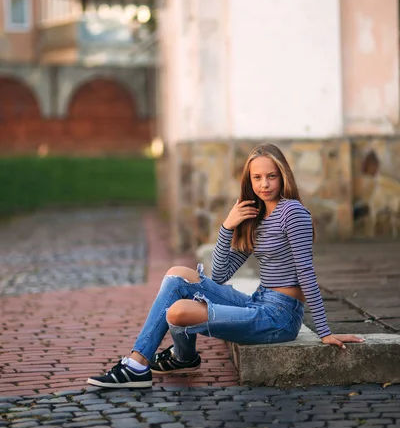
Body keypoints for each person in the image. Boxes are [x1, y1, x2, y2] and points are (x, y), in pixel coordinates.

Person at [87, 143, 364, 389]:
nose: (264, 184)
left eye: (271, 176)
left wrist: (325, 331)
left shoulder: (292, 212)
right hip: (259, 300)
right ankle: (145, 363)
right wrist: (227, 226)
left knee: (178, 311)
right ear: (249, 180)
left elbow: (306, 271)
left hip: (280, 317)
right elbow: (219, 274)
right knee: (176, 276)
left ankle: (168, 359)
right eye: (257, 177)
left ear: (283, 176)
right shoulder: (254, 217)